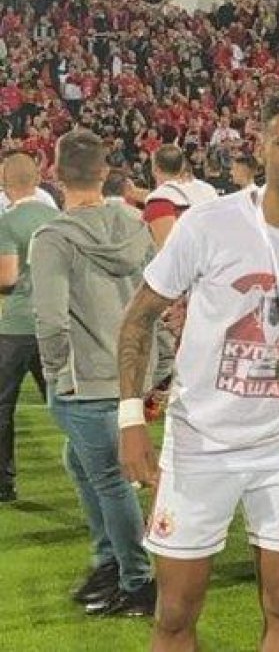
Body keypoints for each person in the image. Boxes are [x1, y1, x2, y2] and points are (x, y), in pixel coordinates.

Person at [116, 87, 279, 652]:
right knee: (175, 612)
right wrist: (131, 418)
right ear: (264, 147)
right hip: (201, 443)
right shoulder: (208, 224)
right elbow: (138, 318)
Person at [29, 128, 158, 616]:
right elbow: (157, 298)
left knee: (108, 477)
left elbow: (50, 317)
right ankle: (111, 562)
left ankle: (137, 581)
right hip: (127, 373)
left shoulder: (54, 238)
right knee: (80, 463)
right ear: (105, 173)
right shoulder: (135, 223)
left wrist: (56, 370)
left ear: (55, 174)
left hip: (85, 379)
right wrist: (159, 363)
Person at [0, 150, 57, 502]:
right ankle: (98, 471)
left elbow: (7, 278)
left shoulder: (7, 222)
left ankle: (4, 484)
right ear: (37, 180)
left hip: (16, 326)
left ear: (6, 185)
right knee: (69, 406)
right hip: (52, 322)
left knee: (2, 406)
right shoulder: (56, 217)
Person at [141, 144, 221, 247]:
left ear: (156, 169)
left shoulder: (159, 201)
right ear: (182, 166)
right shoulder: (208, 189)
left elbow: (168, 250)